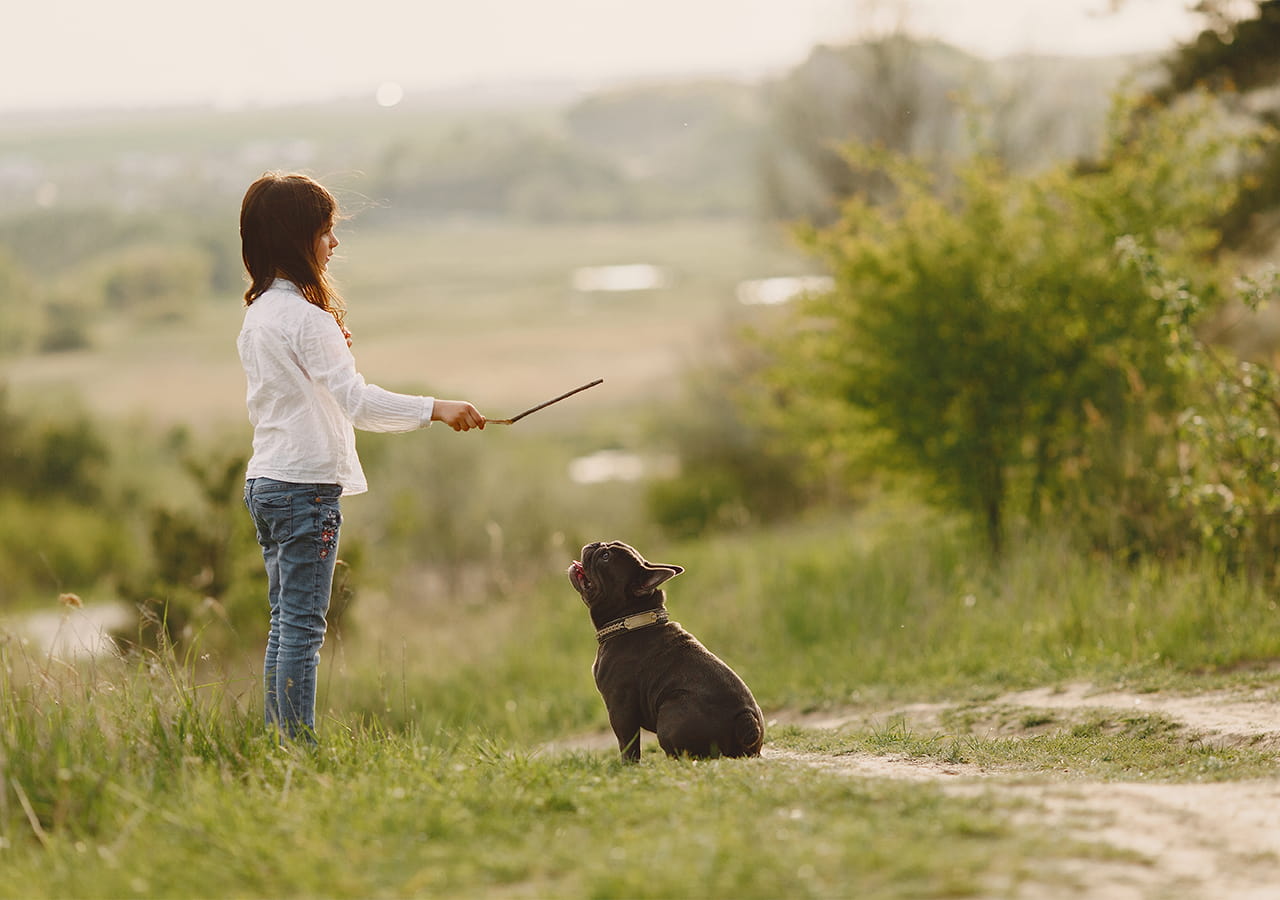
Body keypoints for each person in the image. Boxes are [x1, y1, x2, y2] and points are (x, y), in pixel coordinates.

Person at [237, 172, 485, 743]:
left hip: (267, 483)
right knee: (301, 628)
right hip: (304, 489)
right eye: (326, 231)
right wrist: (436, 407)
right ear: (297, 238)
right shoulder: (308, 317)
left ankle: (281, 743)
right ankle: (296, 750)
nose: (334, 243)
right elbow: (356, 403)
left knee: (284, 625)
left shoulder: (260, 314)